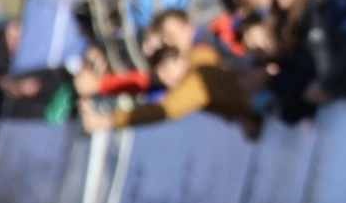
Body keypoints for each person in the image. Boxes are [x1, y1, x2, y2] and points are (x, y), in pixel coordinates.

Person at [80, 42, 260, 139]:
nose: (165, 80)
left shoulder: (194, 80)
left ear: (179, 60)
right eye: (160, 77)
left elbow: (164, 110)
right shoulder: (201, 54)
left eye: (166, 71)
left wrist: (108, 120)